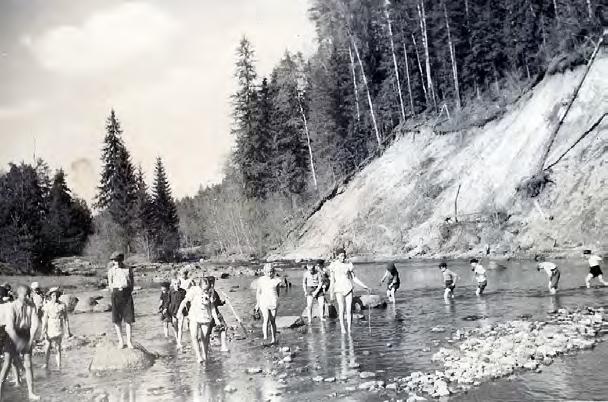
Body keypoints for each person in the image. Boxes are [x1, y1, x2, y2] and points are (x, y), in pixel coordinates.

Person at [0, 285, 40, 401]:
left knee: (28, 364)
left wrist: (31, 340)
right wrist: (17, 342)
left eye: (28, 294)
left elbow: (35, 324)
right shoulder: (12, 306)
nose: (28, 296)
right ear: (19, 294)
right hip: (13, 334)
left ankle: (31, 393)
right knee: (7, 364)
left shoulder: (31, 305)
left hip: (26, 333)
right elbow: (10, 327)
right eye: (25, 294)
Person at [177, 277, 219, 363]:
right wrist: (179, 311)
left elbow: (212, 307)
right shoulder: (194, 290)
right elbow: (184, 301)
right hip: (194, 315)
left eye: (207, 288)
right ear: (200, 286)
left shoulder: (211, 292)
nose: (205, 290)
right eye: (204, 289)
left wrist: (216, 319)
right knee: (194, 336)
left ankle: (205, 355)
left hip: (205, 316)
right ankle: (198, 356)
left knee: (204, 337)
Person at [329, 248, 370, 334]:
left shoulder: (348, 264)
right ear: (337, 256)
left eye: (344, 256)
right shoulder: (333, 265)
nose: (343, 258)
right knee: (341, 309)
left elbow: (354, 278)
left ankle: (349, 328)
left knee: (349, 309)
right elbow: (332, 281)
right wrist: (331, 294)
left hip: (348, 287)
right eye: (341, 256)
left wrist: (364, 286)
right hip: (338, 288)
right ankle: (343, 328)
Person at [107, 251, 135, 349]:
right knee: (117, 319)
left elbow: (132, 282)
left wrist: (127, 291)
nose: (117, 262)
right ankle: (121, 341)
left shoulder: (128, 269)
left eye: (118, 260)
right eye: (115, 261)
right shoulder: (111, 271)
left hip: (126, 294)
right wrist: (115, 292)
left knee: (128, 319)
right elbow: (110, 283)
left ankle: (129, 341)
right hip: (116, 294)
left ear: (122, 260)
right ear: (113, 261)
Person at [41, 287, 71, 370]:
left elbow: (66, 318)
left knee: (58, 347)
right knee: (47, 345)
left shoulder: (62, 305)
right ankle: (46, 363)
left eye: (57, 295)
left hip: (58, 325)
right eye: (53, 295)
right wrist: (43, 331)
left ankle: (59, 365)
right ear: (50, 296)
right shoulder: (47, 305)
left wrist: (68, 331)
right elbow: (45, 319)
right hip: (50, 325)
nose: (55, 297)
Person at [254, 263, 282, 345]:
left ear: (273, 272)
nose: (270, 274)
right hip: (264, 301)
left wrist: (277, 301)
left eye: (271, 272)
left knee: (273, 320)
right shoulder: (261, 280)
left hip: (273, 301)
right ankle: (265, 338)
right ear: (265, 272)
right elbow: (258, 292)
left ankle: (274, 339)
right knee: (266, 319)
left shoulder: (276, 280)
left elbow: (277, 292)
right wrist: (257, 303)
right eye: (268, 272)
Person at [207, 276, 229, 352]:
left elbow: (218, 302)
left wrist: (224, 301)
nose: (213, 284)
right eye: (212, 283)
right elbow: (216, 303)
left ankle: (212, 345)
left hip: (211, 313)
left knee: (208, 332)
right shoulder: (211, 292)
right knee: (224, 327)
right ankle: (221, 345)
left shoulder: (213, 292)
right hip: (213, 314)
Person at [168, 279, 186, 347]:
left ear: (180, 284)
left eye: (178, 283)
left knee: (180, 327)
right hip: (173, 311)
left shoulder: (183, 291)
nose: (177, 285)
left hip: (181, 311)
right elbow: (168, 301)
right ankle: (177, 340)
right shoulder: (171, 292)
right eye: (175, 284)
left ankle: (179, 342)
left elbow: (186, 301)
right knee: (175, 327)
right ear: (172, 284)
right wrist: (165, 308)